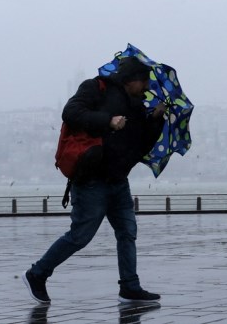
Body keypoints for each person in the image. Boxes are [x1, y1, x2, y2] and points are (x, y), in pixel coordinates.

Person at [23, 56, 166, 304]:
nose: (147, 87)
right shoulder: (95, 88)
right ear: (131, 80)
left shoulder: (137, 106)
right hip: (91, 180)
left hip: (118, 180)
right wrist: (108, 121)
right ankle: (38, 273)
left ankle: (130, 287)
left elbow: (141, 146)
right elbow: (70, 112)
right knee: (80, 235)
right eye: (144, 81)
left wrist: (155, 120)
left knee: (127, 232)